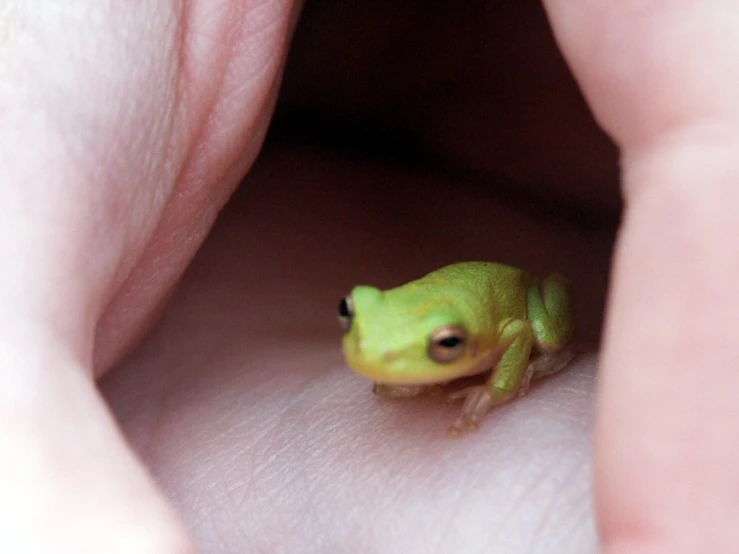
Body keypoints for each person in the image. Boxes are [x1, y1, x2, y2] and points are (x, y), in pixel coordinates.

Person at [2, 1, 735, 552]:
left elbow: (514, 327)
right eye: (352, 316)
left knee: (541, 320)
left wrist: (498, 386)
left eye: (445, 346)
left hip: (518, 292)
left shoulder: (498, 327)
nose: (365, 352)